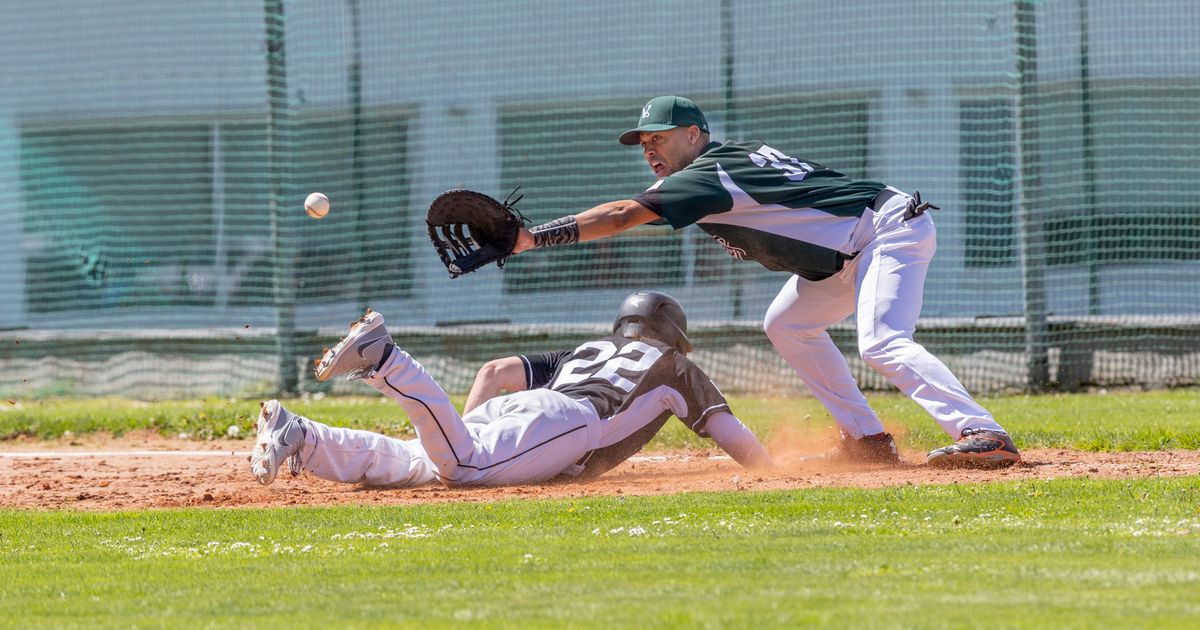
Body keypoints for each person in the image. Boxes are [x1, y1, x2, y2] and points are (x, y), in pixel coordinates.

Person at [510, 95, 1020, 469]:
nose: (650, 149)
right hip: (847, 255)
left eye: (660, 137)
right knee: (786, 324)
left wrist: (531, 238)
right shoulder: (710, 172)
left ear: (694, 134)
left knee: (882, 341)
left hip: (885, 230)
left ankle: (983, 432)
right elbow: (633, 210)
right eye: (644, 143)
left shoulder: (710, 172)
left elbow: (622, 214)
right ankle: (867, 440)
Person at [249, 291, 772, 488]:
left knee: (419, 463)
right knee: (464, 467)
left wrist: (467, 427)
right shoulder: (673, 365)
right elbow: (731, 434)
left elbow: (496, 372)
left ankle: (302, 436)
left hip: (522, 409)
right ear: (672, 337)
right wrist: (775, 471)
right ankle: (386, 358)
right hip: (570, 423)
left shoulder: (585, 351)